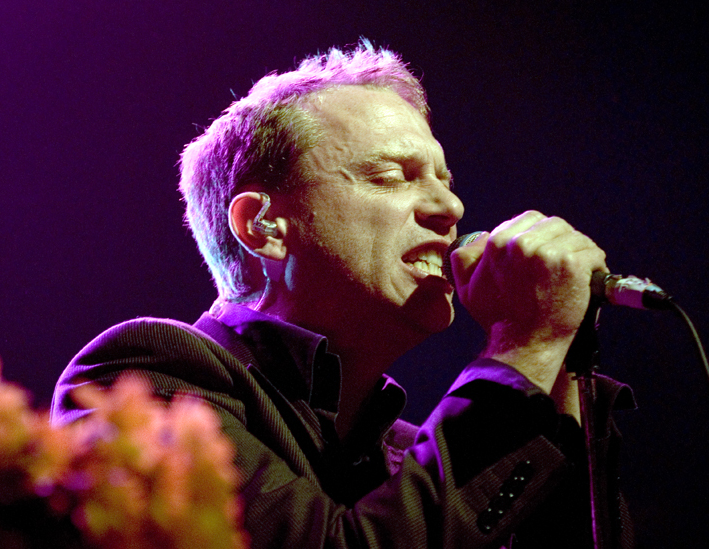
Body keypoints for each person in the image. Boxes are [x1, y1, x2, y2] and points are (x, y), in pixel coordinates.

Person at [52, 40, 635, 548]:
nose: (450, 208)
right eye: (391, 177)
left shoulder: (412, 458)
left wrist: (559, 375)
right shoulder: (144, 378)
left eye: (445, 182)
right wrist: (524, 347)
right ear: (263, 225)